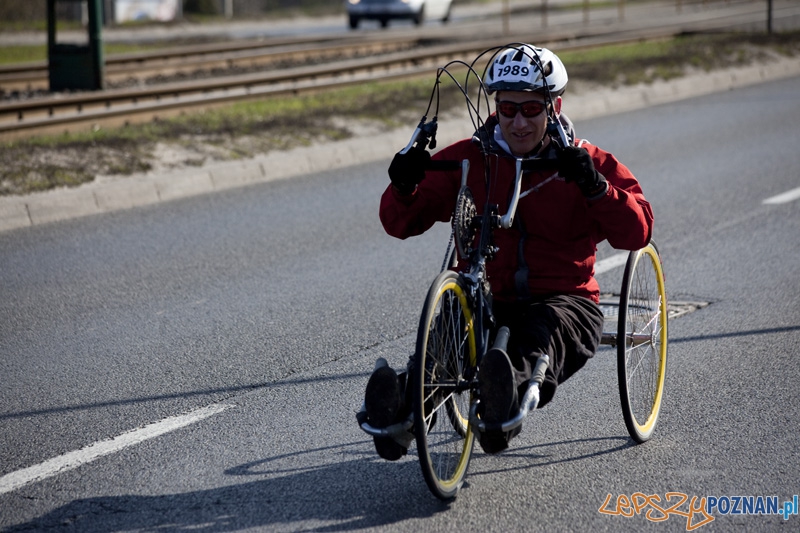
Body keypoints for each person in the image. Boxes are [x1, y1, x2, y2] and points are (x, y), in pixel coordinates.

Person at [363, 44, 653, 459]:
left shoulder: (586, 161)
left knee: (533, 345)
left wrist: (597, 189)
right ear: (495, 106)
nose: (518, 122)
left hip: (563, 300)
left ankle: (503, 403)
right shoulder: (470, 157)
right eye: (508, 108)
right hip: (484, 299)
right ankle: (398, 412)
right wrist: (404, 187)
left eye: (531, 110)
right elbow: (399, 222)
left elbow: (638, 229)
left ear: (555, 106)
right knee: (444, 348)